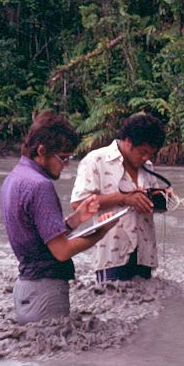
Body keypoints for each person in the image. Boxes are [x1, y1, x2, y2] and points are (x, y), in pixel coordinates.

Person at [1, 112, 117, 324]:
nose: (66, 165)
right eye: (63, 158)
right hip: (46, 292)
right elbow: (61, 251)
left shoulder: (14, 177)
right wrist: (102, 230)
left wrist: (78, 217)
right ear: (42, 151)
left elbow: (41, 238)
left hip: (26, 289)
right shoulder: (40, 186)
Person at [70, 113, 167, 282]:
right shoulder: (96, 160)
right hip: (111, 255)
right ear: (128, 141)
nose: (146, 158)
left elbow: (152, 204)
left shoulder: (147, 167)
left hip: (144, 254)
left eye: (150, 154)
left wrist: (161, 199)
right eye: (142, 152)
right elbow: (78, 204)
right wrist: (124, 198)